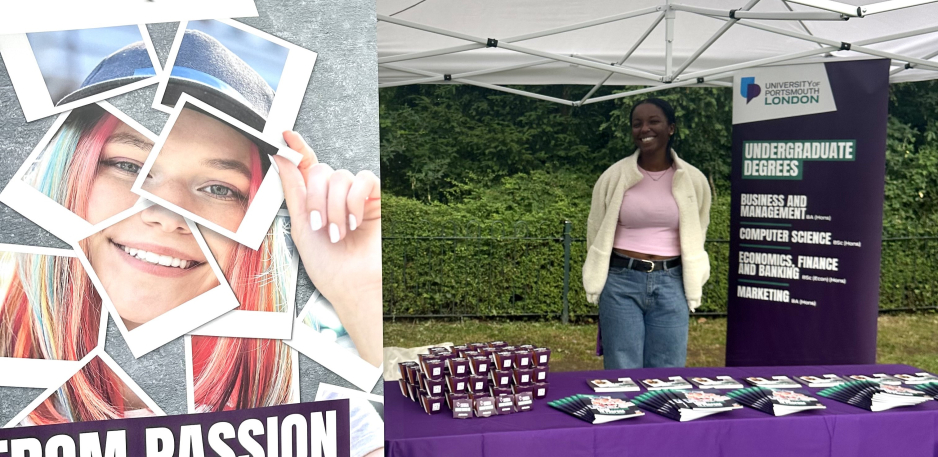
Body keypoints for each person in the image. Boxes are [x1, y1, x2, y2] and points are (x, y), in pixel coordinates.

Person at [583, 97, 711, 370]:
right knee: (621, 368)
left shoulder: (694, 179)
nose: (644, 129)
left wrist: (695, 277)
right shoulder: (613, 177)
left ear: (671, 128)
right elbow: (595, 229)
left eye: (654, 121)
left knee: (668, 369)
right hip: (620, 282)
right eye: (637, 124)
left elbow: (698, 230)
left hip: (672, 282)